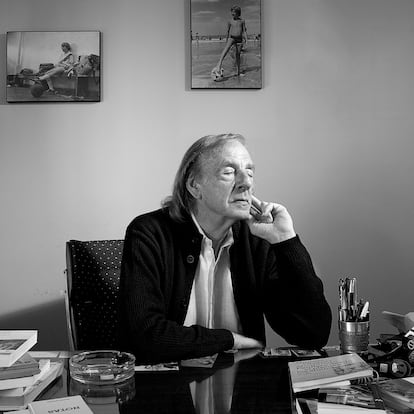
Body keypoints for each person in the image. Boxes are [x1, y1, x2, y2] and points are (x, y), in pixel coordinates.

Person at [118, 133, 332, 364]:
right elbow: (145, 337)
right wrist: (229, 340)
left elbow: (313, 334)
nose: (246, 182)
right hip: (167, 390)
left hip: (244, 390)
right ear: (194, 186)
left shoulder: (257, 239)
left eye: (249, 172)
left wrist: (286, 241)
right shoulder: (149, 233)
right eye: (229, 172)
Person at [212, 6, 248, 78]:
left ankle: (238, 72)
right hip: (231, 38)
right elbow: (228, 31)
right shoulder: (230, 21)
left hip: (239, 39)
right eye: (232, 12)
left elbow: (244, 31)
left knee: (237, 56)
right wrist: (226, 39)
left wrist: (246, 39)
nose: (232, 13)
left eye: (234, 12)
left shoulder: (242, 21)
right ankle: (219, 65)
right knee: (225, 50)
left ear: (238, 13)